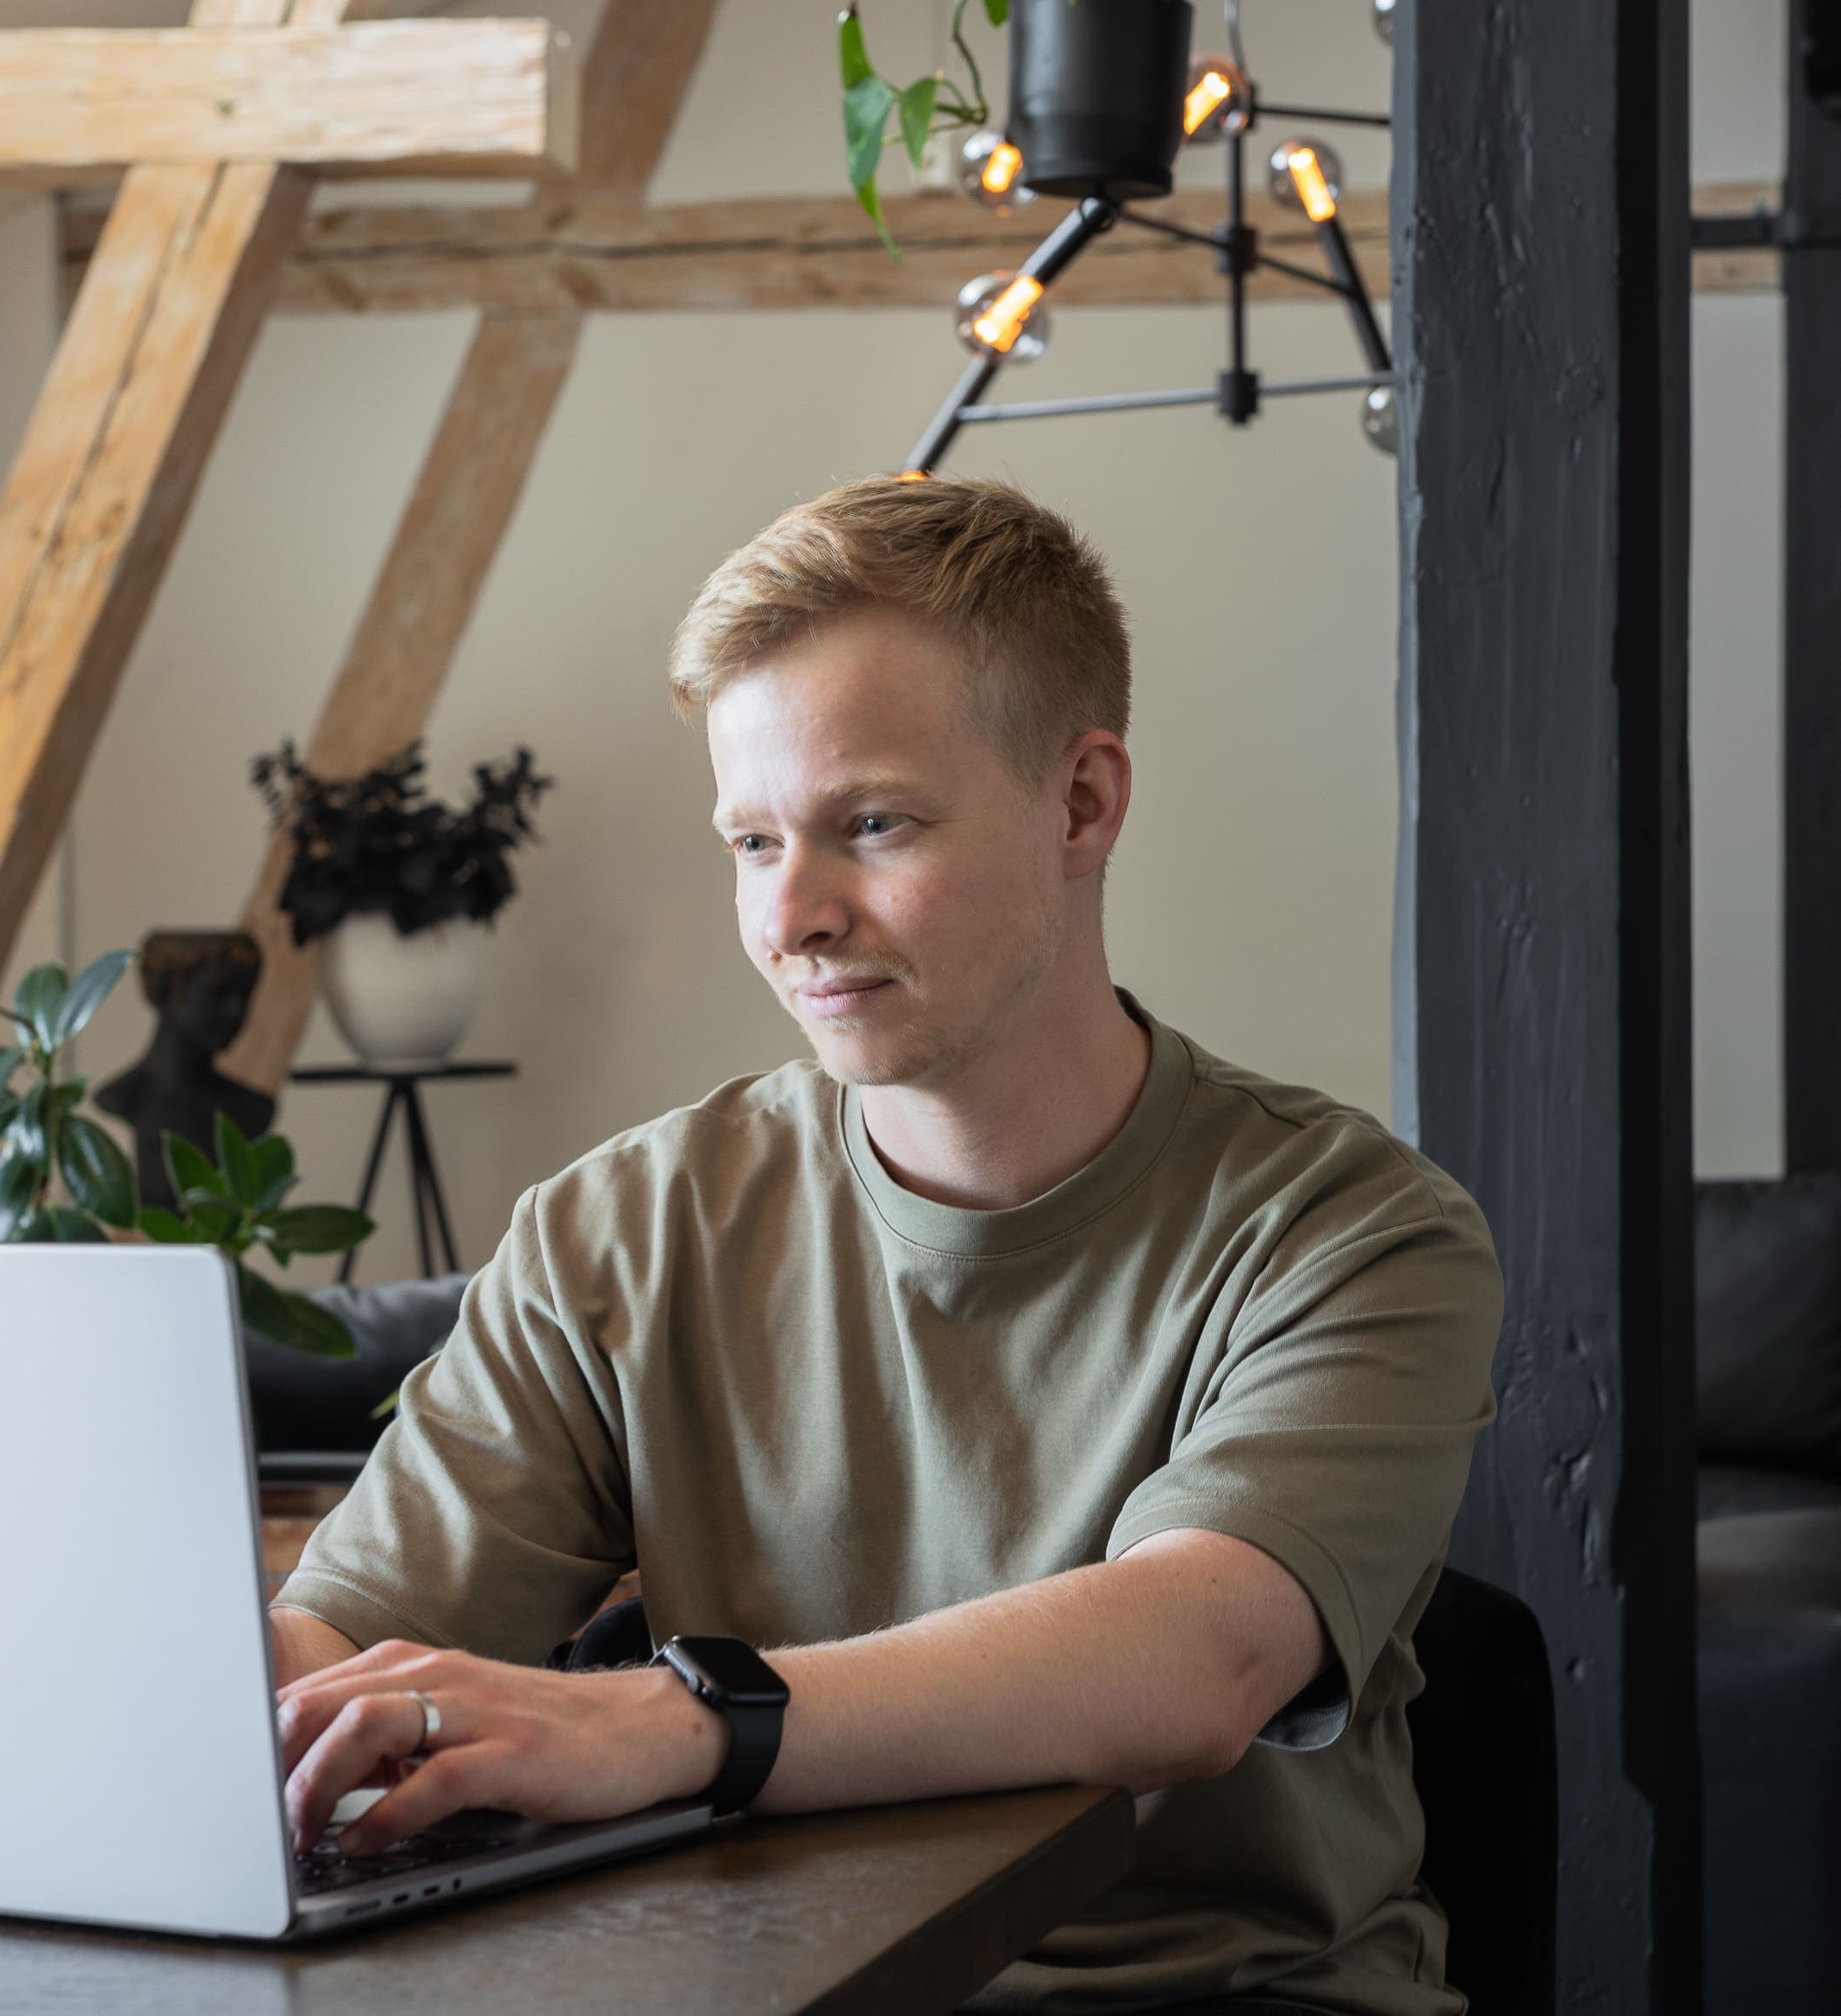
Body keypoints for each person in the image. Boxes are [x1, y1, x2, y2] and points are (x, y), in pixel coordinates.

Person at [269, 477, 1501, 2016]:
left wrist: (679, 1721)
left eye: (872, 824)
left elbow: (1201, 1660)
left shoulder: (1351, 1229)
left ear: (1083, 803)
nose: (794, 915)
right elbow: (346, 1651)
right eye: (752, 841)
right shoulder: (622, 1226)